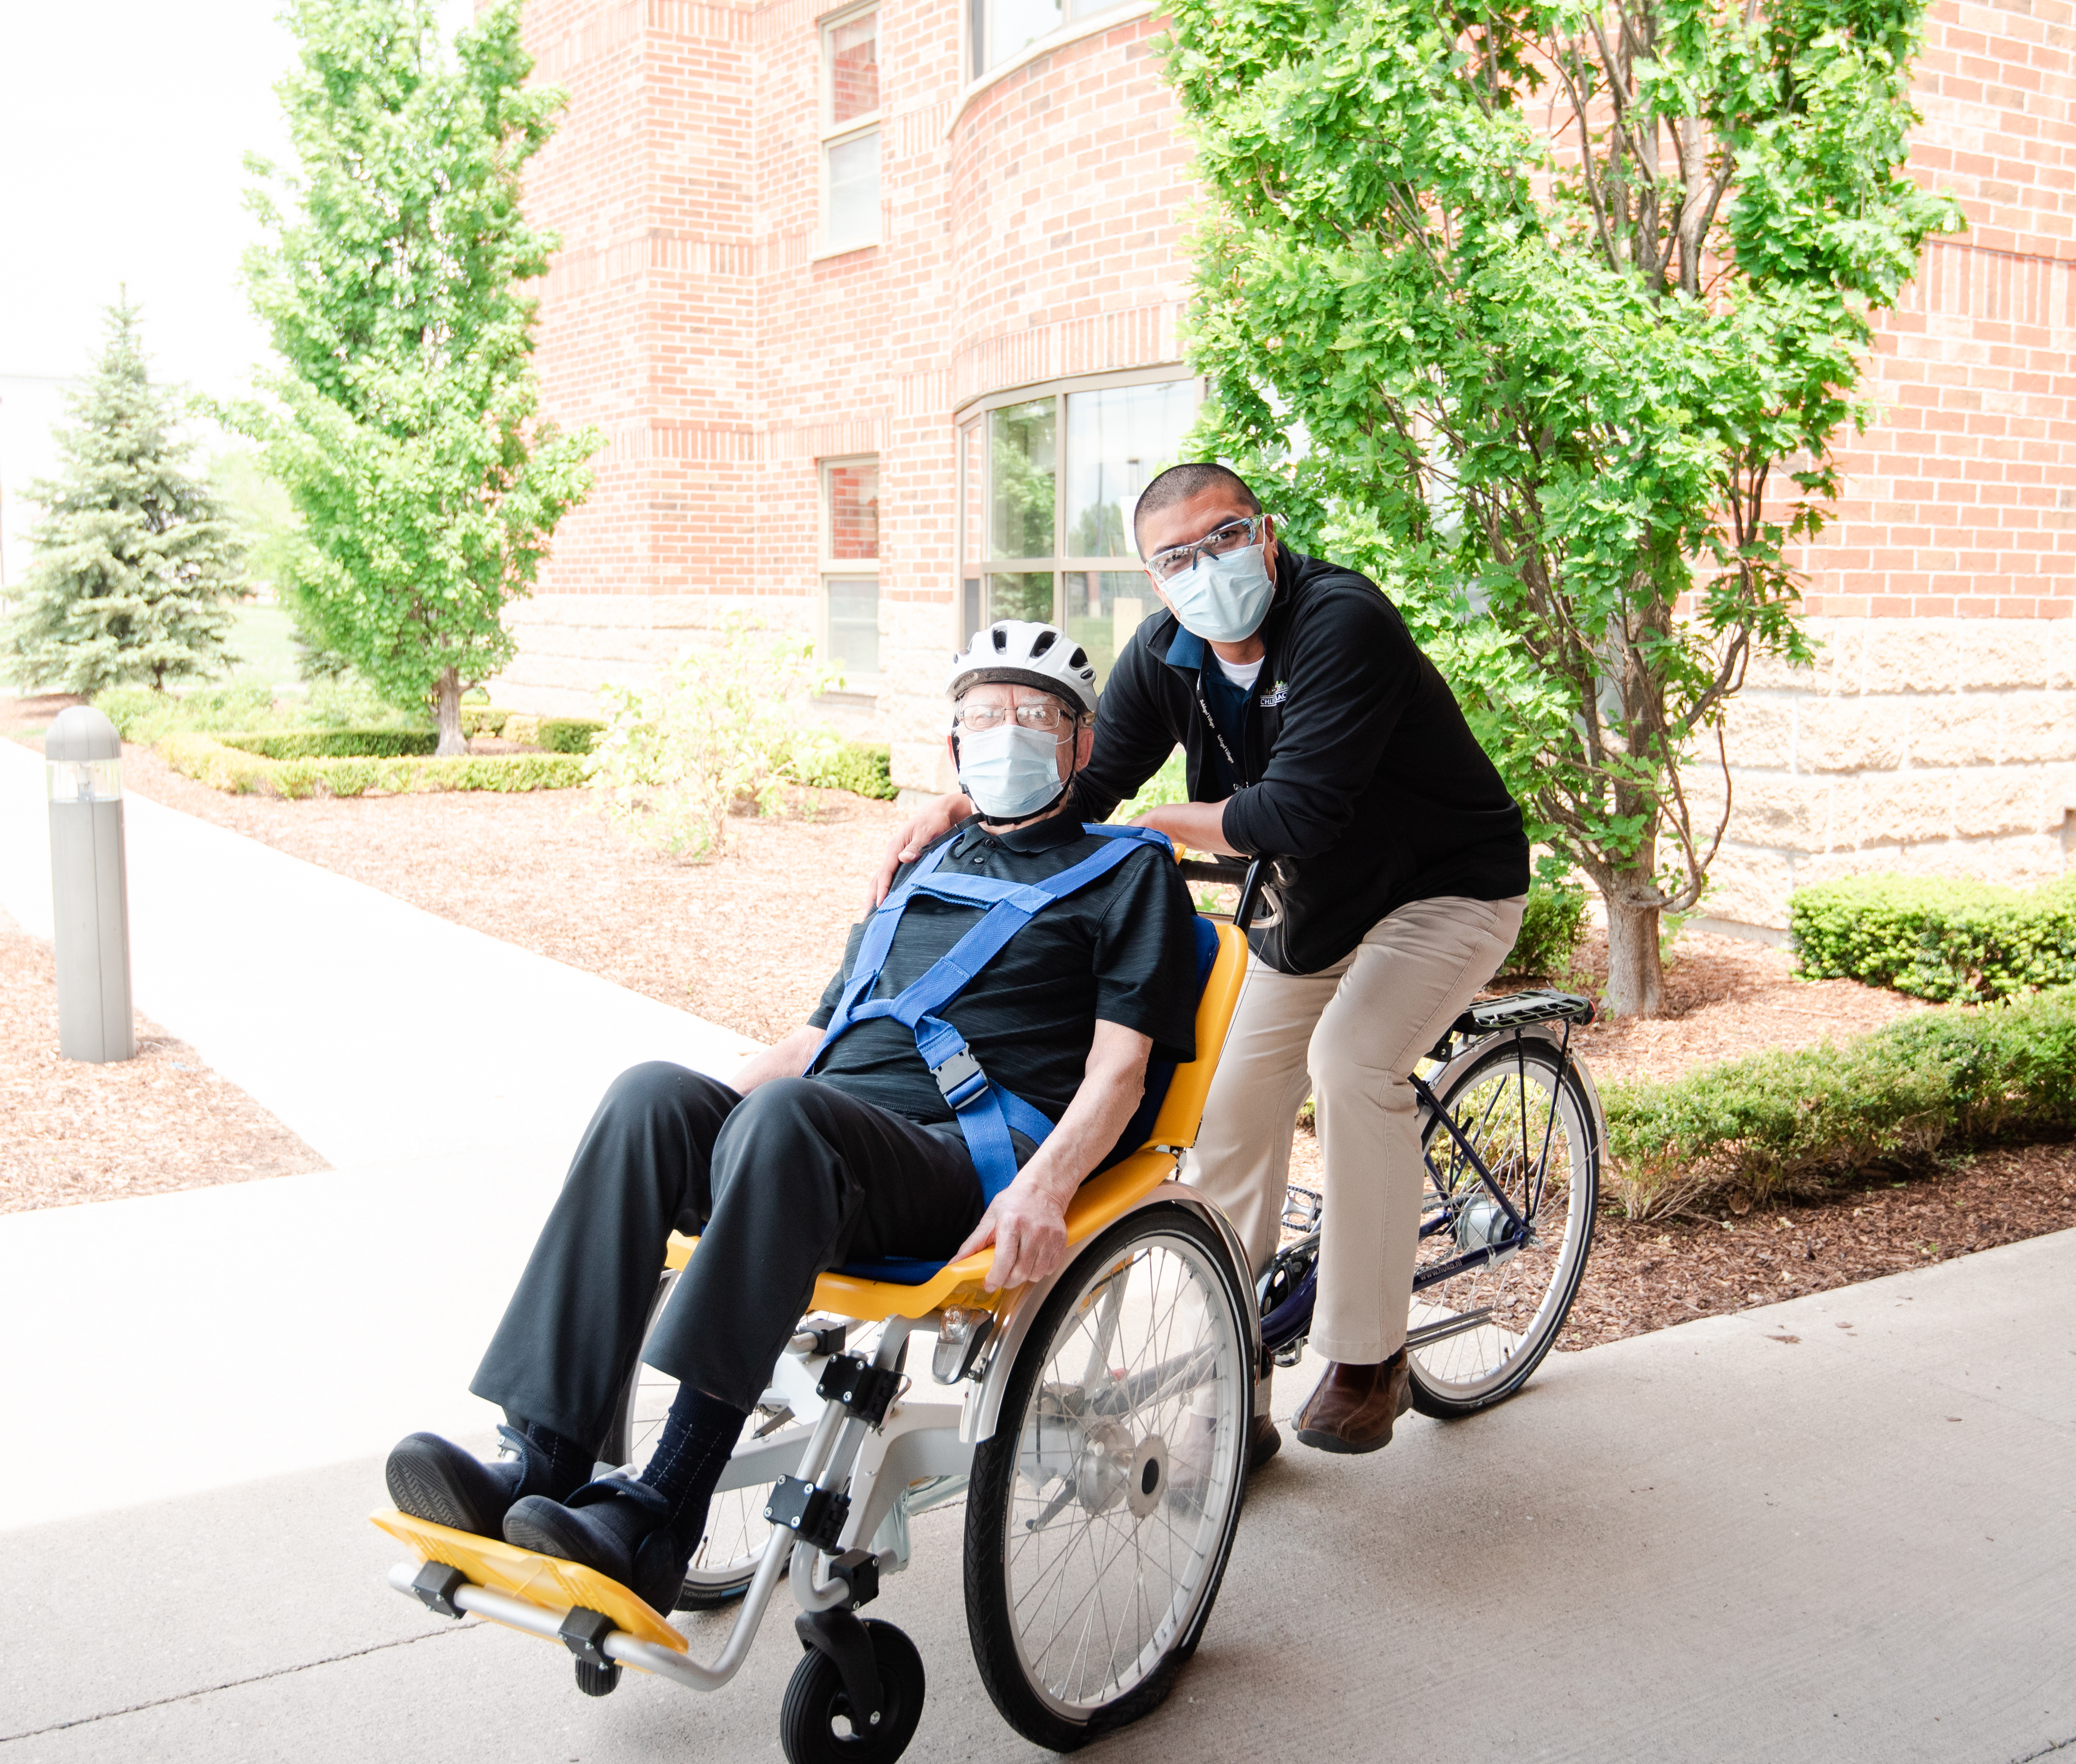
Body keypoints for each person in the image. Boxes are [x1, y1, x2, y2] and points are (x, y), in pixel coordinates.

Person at [386, 621, 1196, 1613]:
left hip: (961, 1164)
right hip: (821, 1134)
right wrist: (702, 1122)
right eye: (985, 716)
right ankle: (538, 1461)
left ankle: (658, 1512)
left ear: (1079, 745)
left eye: (1038, 716)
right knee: (651, 1095)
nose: (1009, 734)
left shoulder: (1130, 875)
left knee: (784, 1121)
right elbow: (810, 1042)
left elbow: (1119, 1074)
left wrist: (1047, 1185)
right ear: (953, 748)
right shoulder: (918, 869)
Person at [873, 464, 1530, 1459]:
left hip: (1446, 887)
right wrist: (972, 801)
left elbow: (1296, 813)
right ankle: (1233, 1367)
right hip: (1316, 912)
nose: (1205, 566)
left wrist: (1158, 824)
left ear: (1263, 535)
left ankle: (1368, 1356)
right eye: (1176, 556)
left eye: (1223, 538)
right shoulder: (1166, 655)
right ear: (1154, 577)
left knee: (1351, 1062)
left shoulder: (1341, 620)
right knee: (1222, 1107)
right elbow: (1081, 786)